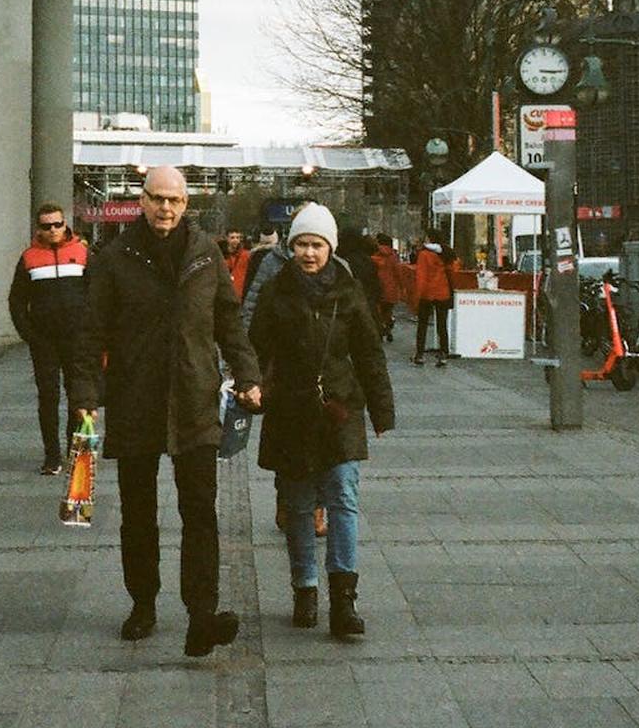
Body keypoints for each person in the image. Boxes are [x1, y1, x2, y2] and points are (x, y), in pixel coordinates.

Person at [71, 166, 262, 655]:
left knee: (199, 510)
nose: (166, 209)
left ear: (185, 204)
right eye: (157, 199)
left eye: (175, 201)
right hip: (136, 398)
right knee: (139, 512)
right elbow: (89, 334)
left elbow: (228, 320)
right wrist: (85, 398)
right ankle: (143, 603)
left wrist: (248, 376)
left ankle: (202, 614)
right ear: (142, 199)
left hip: (195, 399)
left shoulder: (205, 254)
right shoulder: (115, 258)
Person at [249, 202, 394, 638]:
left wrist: (382, 410)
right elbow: (255, 347)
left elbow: (369, 352)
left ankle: (344, 600)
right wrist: (249, 385)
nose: (309, 253)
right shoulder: (276, 291)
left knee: (343, 500)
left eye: (316, 245)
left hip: (340, 407)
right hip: (291, 410)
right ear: (290, 246)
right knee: (296, 506)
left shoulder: (349, 292)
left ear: (330, 247)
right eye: (301, 244)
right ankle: (304, 589)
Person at [8, 203, 89, 475]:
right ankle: (52, 456)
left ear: (65, 224)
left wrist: (93, 331)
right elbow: (16, 301)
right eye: (46, 226)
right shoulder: (29, 257)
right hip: (44, 341)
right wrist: (30, 335)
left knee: (77, 396)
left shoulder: (82, 252)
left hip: (77, 338)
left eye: (57, 224)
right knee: (48, 397)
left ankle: (73, 450)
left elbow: (97, 293)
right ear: (38, 229)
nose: (53, 230)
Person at [414, 228, 459, 368]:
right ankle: (443, 354)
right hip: (442, 291)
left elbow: (421, 276)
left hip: (427, 293)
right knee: (442, 324)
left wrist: (417, 296)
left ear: (429, 238)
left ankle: (420, 354)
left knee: (422, 324)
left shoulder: (424, 254)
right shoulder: (446, 253)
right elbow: (452, 272)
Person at [371, 232, 401, 342]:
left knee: (378, 311)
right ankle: (388, 329)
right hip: (391, 288)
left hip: (377, 287)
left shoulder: (374, 254)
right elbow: (398, 272)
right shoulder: (393, 256)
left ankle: (380, 331)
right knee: (388, 311)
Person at [222, 228, 250, 299]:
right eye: (232, 237)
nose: (235, 240)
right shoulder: (221, 255)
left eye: (237, 237)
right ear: (226, 238)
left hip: (240, 292)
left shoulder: (246, 255)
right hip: (225, 292)